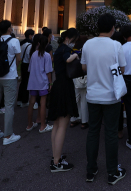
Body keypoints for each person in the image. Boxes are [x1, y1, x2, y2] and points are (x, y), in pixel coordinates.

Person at [81, 13, 127, 185]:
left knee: (93, 132)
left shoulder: (87, 44)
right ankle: (112, 172)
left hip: (92, 95)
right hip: (111, 97)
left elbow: (84, 67)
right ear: (113, 28)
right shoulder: (116, 46)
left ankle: (91, 171)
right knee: (110, 133)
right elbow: (122, 68)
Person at [47, 29, 81, 172]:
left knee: (56, 124)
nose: (74, 41)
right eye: (73, 39)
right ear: (68, 38)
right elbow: (68, 59)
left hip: (57, 86)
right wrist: (76, 55)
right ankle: (57, 162)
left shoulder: (58, 49)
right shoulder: (66, 49)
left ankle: (56, 156)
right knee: (62, 125)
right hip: (64, 88)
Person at [0, 20, 22, 146]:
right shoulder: (14, 41)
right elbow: (18, 58)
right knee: (9, 106)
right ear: (9, 29)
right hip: (10, 77)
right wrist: (14, 69)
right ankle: (8, 135)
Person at [26, 35, 53, 133]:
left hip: (33, 81)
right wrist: (50, 83)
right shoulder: (46, 55)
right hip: (42, 81)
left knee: (32, 102)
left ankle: (29, 124)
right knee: (43, 102)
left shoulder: (33, 54)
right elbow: (48, 71)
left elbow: (30, 69)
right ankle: (43, 125)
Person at [72, 35, 90, 129]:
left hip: (75, 76)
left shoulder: (73, 50)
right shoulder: (86, 50)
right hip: (85, 76)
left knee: (75, 98)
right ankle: (84, 121)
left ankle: (74, 118)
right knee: (84, 100)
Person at [17, 29, 35, 107]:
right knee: (27, 83)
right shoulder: (30, 45)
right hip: (27, 64)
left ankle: (19, 100)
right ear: (30, 35)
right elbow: (30, 57)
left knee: (23, 82)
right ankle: (24, 101)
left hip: (23, 64)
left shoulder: (23, 44)